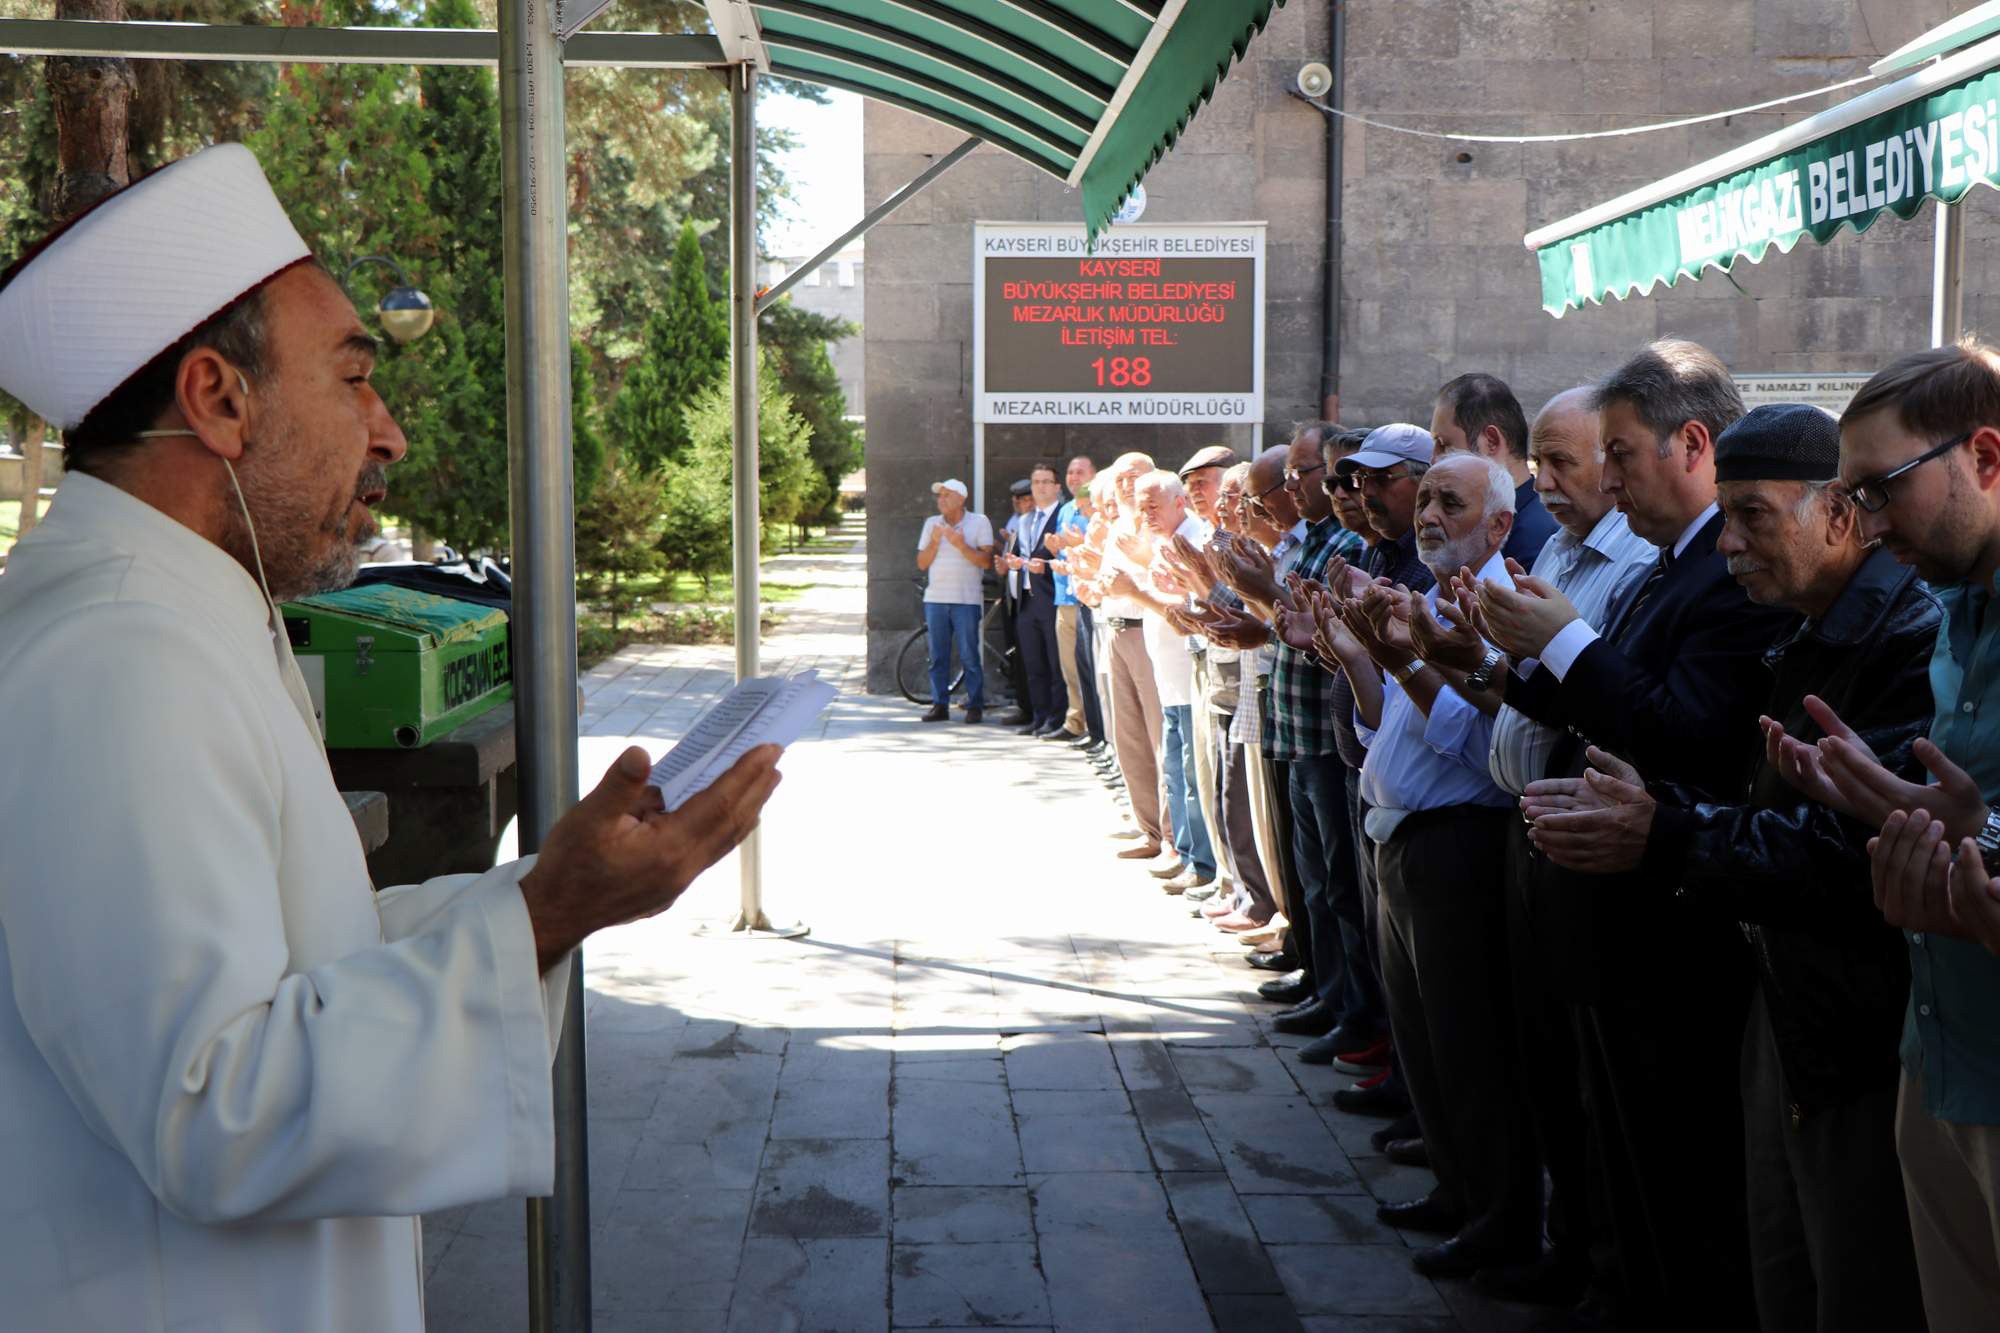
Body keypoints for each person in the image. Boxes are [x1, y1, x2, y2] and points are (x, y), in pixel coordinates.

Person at [0, 143, 783, 1331]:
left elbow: (307, 958)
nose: (390, 432)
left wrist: (554, 886)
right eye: (354, 378)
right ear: (218, 399)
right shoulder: (119, 650)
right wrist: (548, 912)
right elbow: (215, 1109)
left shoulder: (175, 612)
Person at [1523, 403, 1932, 1333]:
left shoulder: (1903, 635)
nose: (1733, 543)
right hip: (1786, 1006)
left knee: (1846, 1279)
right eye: (1730, 516)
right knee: (1777, 1272)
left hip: (1852, 1027)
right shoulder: (1805, 623)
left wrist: (1665, 831)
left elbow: (1849, 851)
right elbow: (1769, 811)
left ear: (1838, 514)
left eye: (1755, 516)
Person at [1472, 339, 1795, 1327]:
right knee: (1623, 1170)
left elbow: (1682, 727)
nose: (1604, 481)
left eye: (1616, 455)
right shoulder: (1674, 565)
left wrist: (1562, 641)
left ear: (1690, 444)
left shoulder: (1717, 575)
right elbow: (1614, 704)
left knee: (1677, 1196)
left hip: (1671, 930)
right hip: (1615, 922)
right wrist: (1507, 657)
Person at [1405, 385, 1656, 1306]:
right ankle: (1562, 1243)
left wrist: (1494, 660)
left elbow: (1607, 700)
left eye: (1569, 463)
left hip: (1578, 829)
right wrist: (1455, 656)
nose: (1548, 482)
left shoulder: (1630, 561)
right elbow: (1519, 689)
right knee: (1540, 1059)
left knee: (1583, 1073)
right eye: (1541, 464)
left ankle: (1599, 1264)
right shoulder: (1555, 548)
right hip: (1527, 826)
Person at [1767, 342, 2000, 1331]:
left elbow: (1979, 821)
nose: (1858, 523)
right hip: (1937, 1050)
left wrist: (1977, 831)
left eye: (1879, 487)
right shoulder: (1951, 610)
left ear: (1983, 457)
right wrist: (1883, 805)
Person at [1300, 451, 1539, 1279]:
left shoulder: (1499, 605)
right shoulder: (1433, 598)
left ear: (1500, 523)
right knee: (1427, 1041)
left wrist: (1405, 658)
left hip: (1458, 845)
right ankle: (1455, 1187)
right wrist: (1357, 654)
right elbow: (1384, 726)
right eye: (1428, 499)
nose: (1429, 514)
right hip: (1400, 837)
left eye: (1451, 501)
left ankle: (1498, 1213)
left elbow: (1479, 746)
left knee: (1470, 1046)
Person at [1110, 470, 1218, 893]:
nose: (1146, 513)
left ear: (1179, 502)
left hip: (1187, 674)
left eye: (1153, 505)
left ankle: (1203, 864)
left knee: (1193, 774)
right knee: (1176, 769)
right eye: (1141, 506)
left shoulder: (1194, 541)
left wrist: (1137, 591)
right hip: (1168, 676)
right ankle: (1186, 853)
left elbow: (1194, 610)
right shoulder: (1163, 542)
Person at [1432, 372, 1561, 568]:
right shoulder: (1496, 521)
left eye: (1443, 444)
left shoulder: (1537, 537)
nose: (1434, 459)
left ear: (1491, 441)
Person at [916, 477, 995, 723]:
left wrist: (961, 545)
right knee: (937, 655)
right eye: (940, 495)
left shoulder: (979, 523)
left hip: (966, 600)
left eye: (947, 495)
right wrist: (936, 541)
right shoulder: (932, 524)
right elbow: (921, 563)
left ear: (961, 499)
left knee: (969, 654)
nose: (941, 499)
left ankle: (975, 705)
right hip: (936, 599)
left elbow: (985, 561)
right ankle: (939, 704)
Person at [1002, 463, 1068, 736]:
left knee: (1055, 664)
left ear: (1056, 487)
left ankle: (1057, 719)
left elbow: (1061, 555)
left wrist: (1046, 563)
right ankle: (1039, 717)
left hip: (1052, 599)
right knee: (1033, 664)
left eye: (1045, 482)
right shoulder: (1024, 520)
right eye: (1036, 482)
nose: (1040, 487)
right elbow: (1018, 554)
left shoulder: (1063, 516)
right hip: (1026, 602)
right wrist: (1014, 562)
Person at [1046, 454, 1102, 745]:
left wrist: (1072, 546)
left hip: (1088, 599)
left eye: (1080, 472)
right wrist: (1055, 548)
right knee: (1070, 667)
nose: (1074, 477)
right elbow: (1064, 550)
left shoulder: (1096, 509)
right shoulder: (1066, 509)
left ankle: (1096, 730)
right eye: (1070, 472)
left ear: (1094, 475)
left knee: (1092, 670)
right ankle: (1075, 721)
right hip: (1064, 595)